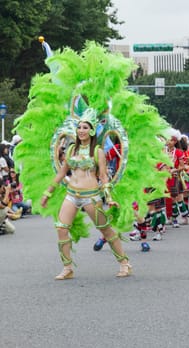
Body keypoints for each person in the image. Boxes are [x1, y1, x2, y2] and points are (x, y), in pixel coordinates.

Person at [40, 109, 131, 279]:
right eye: (79, 127)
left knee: (106, 231)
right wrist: (47, 192)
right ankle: (67, 268)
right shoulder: (71, 149)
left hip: (91, 196)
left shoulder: (97, 151)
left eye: (84, 127)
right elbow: (61, 173)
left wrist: (109, 198)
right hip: (71, 194)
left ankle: (124, 263)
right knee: (61, 228)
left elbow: (103, 176)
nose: (81, 130)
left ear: (91, 131)